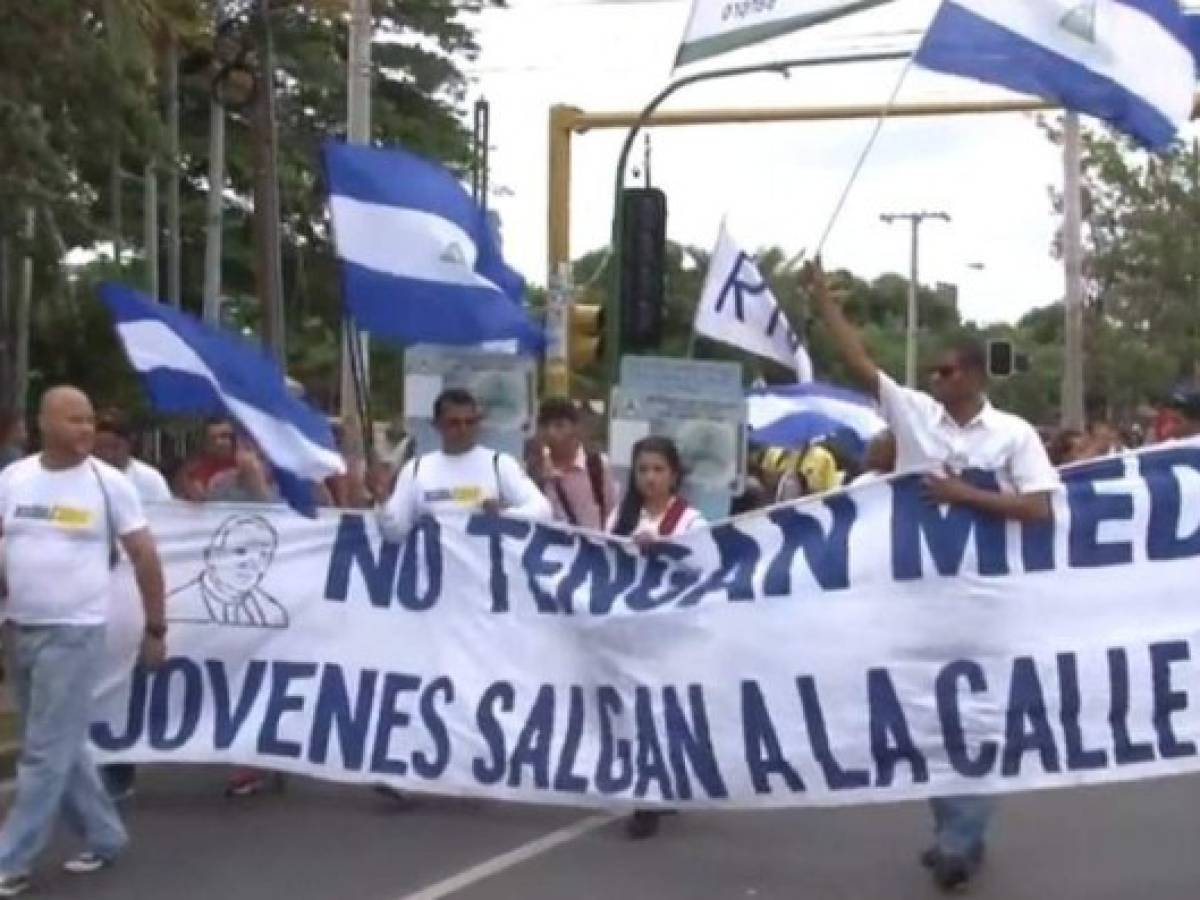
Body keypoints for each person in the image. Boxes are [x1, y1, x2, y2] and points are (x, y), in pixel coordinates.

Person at [809, 260, 1058, 892]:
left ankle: (960, 838)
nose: (934, 378)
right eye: (933, 372)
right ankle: (954, 829)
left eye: (945, 370)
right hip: (920, 601)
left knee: (976, 717)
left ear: (973, 376)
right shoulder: (917, 416)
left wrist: (961, 494)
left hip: (986, 602)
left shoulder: (1013, 435)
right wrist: (825, 306)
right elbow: (864, 367)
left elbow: (1037, 507)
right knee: (930, 719)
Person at [0, 386, 167, 897]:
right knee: (60, 745)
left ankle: (11, 860)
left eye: (89, 420)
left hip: (76, 632)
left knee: (44, 753)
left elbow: (144, 557)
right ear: (44, 423)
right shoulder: (13, 479)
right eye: (74, 420)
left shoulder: (109, 484)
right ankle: (105, 835)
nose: (86, 429)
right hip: (19, 628)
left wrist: (156, 629)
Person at [607, 435, 705, 840]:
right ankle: (645, 794)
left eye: (658, 470)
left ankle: (664, 780)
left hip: (672, 631)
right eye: (643, 470)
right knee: (635, 711)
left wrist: (663, 549)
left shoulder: (690, 521)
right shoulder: (621, 518)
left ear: (674, 475)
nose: (650, 478)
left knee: (667, 711)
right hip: (631, 629)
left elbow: (703, 565)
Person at [92, 410, 172, 802]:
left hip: (132, 593)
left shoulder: (148, 482)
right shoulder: (83, 478)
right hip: (88, 595)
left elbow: (169, 538)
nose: (107, 452)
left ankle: (118, 770)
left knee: (122, 686)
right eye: (100, 444)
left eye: (114, 445)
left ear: (129, 445)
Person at [374, 388, 551, 540]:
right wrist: (382, 500)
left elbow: (543, 511)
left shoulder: (499, 464)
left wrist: (505, 515)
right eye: (454, 423)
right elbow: (395, 533)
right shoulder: (416, 469)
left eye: (470, 422)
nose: (463, 429)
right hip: (431, 576)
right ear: (437, 425)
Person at [534, 397, 618, 531]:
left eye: (559, 425)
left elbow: (612, 512)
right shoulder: (534, 470)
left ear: (576, 428)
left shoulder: (597, 466)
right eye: (545, 426)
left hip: (592, 547)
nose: (551, 433)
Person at [175, 417, 238, 500]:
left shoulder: (245, 464)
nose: (219, 443)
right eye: (213, 438)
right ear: (205, 443)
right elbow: (197, 496)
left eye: (224, 436)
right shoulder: (194, 467)